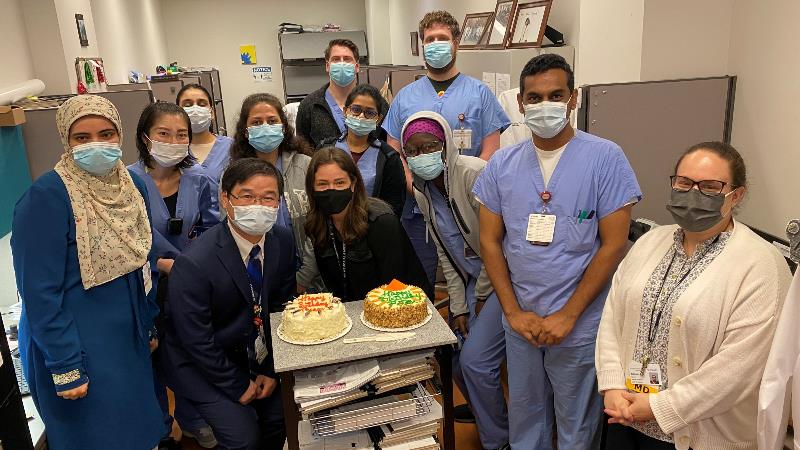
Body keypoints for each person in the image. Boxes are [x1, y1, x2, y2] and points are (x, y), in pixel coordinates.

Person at [473, 53, 642, 449]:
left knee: (576, 425)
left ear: (574, 98)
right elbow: (489, 241)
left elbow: (614, 244)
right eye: (534, 97)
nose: (544, 105)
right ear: (520, 104)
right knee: (525, 416)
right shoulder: (503, 164)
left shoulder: (605, 158)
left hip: (579, 320)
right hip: (522, 316)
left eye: (555, 95)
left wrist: (568, 315)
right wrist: (512, 312)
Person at [597, 142, 791, 450]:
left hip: (700, 436)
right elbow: (613, 316)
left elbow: (739, 367)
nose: (693, 194)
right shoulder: (651, 242)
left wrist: (662, 408)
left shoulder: (762, 264)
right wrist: (611, 385)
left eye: (711, 186)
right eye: (684, 183)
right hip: (626, 416)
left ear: (736, 195)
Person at [11, 94, 162, 450]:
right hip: (76, 346)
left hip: (126, 341)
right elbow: (39, 294)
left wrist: (147, 321)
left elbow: (143, 259)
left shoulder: (132, 186)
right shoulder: (46, 197)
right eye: (83, 137)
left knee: (140, 434)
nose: (97, 144)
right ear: (66, 139)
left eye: (107, 134)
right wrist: (66, 366)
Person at [160, 158, 296, 450]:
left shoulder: (282, 241)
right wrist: (237, 384)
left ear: (279, 202)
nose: (257, 205)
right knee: (244, 439)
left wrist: (271, 370)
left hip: (256, 354)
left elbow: (281, 310)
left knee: (284, 419)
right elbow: (196, 340)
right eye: (247, 196)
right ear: (225, 199)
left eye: (268, 197)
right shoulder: (195, 262)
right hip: (203, 362)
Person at [402, 111, 508, 450]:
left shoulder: (474, 175)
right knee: (457, 360)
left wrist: (479, 297)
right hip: (471, 285)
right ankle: (488, 414)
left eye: (429, 146)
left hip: (502, 282)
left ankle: (498, 440)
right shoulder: (422, 191)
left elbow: (499, 244)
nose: (422, 155)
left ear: (445, 144)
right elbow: (447, 255)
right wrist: (460, 306)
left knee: (476, 362)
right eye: (413, 150)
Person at [382, 10, 511, 288]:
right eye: (430, 39)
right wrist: (415, 189)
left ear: (456, 42)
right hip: (418, 206)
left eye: (442, 38)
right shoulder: (406, 97)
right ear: (422, 47)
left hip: (470, 204)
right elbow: (394, 153)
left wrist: (467, 190)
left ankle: (467, 326)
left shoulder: (479, 93)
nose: (436, 44)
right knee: (419, 282)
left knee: (475, 279)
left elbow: (491, 150)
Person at [128, 101, 219, 448]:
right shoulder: (125, 181)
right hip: (144, 283)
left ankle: (194, 416)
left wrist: (191, 264)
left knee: (190, 349)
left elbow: (211, 228)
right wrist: (162, 262)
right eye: (163, 133)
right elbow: (125, 237)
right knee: (153, 354)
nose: (173, 140)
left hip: (192, 280)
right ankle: (162, 425)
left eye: (181, 134)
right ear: (145, 137)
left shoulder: (200, 178)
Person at [305, 147, 433, 302]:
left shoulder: (381, 222)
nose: (331, 190)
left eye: (339, 183)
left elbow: (395, 286)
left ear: (353, 184)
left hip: (400, 307)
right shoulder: (316, 224)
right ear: (312, 187)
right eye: (323, 184)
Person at [229, 93, 319, 292]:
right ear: (245, 131)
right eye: (256, 122)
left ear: (284, 127)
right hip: (254, 275)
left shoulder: (306, 166)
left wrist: (304, 277)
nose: (265, 127)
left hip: (307, 275)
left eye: (271, 121)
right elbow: (229, 226)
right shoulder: (233, 174)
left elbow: (320, 224)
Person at [320, 84, 405, 215]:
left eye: (369, 113)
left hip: (373, 228)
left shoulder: (388, 158)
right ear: (345, 111)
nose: (361, 116)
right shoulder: (326, 150)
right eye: (356, 109)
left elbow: (393, 207)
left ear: (378, 119)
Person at [297, 39, 389, 148]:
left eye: (347, 59)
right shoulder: (309, 105)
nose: (341, 64)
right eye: (336, 59)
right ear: (328, 66)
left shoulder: (379, 104)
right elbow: (303, 150)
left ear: (357, 67)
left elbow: (386, 145)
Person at [176, 83, 233, 194]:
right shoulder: (171, 149)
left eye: (202, 104)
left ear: (212, 113)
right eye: (187, 105)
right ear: (177, 112)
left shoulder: (231, 147)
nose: (195, 109)